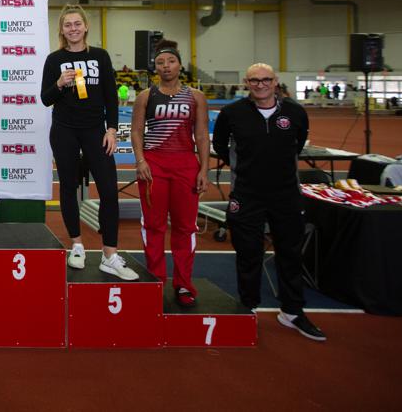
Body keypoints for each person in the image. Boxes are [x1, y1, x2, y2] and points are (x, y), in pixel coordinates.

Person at [212, 63, 325, 341]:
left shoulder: (295, 113)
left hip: (285, 194)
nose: (260, 84)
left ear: (275, 82)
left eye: (265, 80)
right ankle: (247, 307)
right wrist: (247, 167)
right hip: (247, 194)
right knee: (248, 254)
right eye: (254, 80)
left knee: (289, 253)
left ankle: (292, 311)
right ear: (246, 83)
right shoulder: (232, 113)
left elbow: (297, 144)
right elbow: (220, 145)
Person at [41, 6, 138, 280]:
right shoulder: (54, 59)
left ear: (85, 27)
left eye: (77, 24)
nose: (72, 29)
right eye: (67, 25)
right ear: (61, 30)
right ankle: (77, 245)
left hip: (96, 130)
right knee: (69, 188)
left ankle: (110, 254)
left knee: (108, 190)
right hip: (64, 130)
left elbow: (110, 95)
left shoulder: (100, 56)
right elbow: (45, 98)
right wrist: (59, 83)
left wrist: (112, 130)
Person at [131, 41, 210, 307]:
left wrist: (204, 169)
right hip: (154, 167)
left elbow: (200, 134)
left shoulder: (196, 97)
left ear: (179, 65)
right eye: (161, 62)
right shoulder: (146, 96)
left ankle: (184, 284)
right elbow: (136, 131)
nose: (166, 66)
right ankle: (155, 279)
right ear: (155, 67)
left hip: (186, 167)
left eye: (171, 61)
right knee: (153, 226)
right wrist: (140, 160)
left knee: (185, 227)